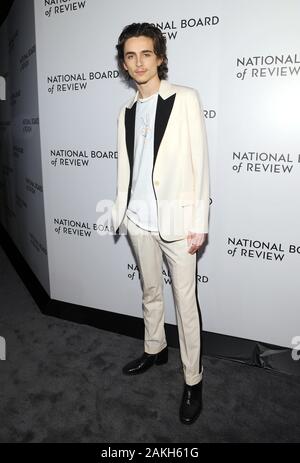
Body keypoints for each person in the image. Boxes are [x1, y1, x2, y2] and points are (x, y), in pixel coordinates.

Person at [111, 22, 210, 425]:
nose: (138, 62)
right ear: (124, 62)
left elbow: (200, 164)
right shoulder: (126, 111)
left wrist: (199, 220)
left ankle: (193, 379)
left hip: (178, 222)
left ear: (160, 57)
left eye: (145, 54)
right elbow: (128, 170)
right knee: (151, 291)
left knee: (186, 304)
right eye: (130, 55)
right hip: (138, 220)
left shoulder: (185, 99)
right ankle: (155, 349)